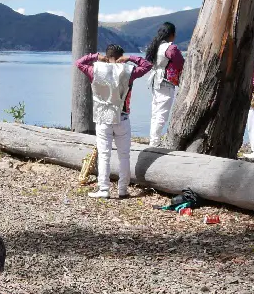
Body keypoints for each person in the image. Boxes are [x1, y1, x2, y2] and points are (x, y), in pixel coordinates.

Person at [75, 44, 152, 199]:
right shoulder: (128, 72)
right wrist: (130, 58)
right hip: (122, 117)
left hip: (103, 117)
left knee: (104, 155)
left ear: (107, 55)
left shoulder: (95, 70)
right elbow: (147, 65)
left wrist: (97, 57)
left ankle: (104, 189)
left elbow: (79, 63)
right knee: (124, 155)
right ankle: (123, 190)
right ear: (120, 57)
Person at [144, 22, 185, 147]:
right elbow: (181, 63)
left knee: (155, 112)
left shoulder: (155, 46)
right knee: (162, 113)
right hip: (166, 82)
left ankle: (153, 140)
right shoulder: (170, 48)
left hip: (155, 81)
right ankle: (154, 142)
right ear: (172, 34)